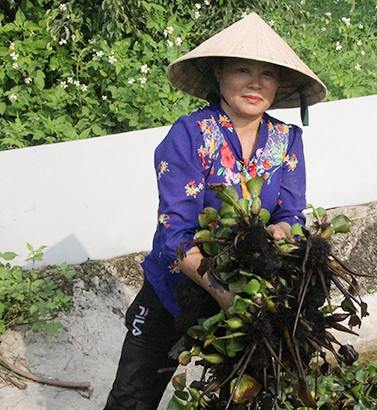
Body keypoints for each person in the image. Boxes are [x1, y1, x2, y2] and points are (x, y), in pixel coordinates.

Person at [104, 13, 326, 410]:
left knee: (244, 398)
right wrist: (224, 293)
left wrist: (281, 234)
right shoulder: (189, 134)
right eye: (242, 69)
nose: (256, 83)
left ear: (279, 85)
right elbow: (177, 235)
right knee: (131, 398)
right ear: (218, 74)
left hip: (253, 296)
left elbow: (292, 213)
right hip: (175, 290)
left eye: (268, 74)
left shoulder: (287, 139)